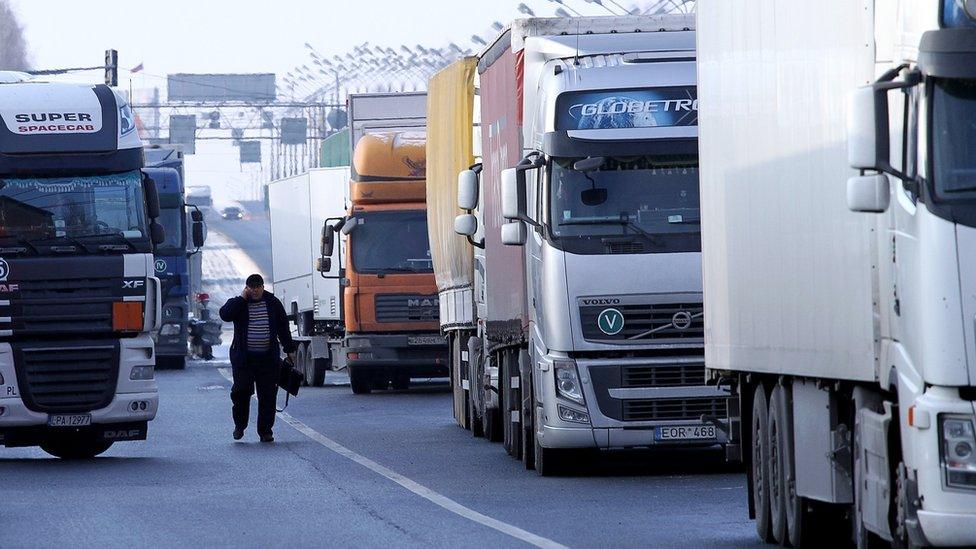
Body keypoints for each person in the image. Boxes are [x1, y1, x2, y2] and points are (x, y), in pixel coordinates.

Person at [219, 274, 297, 443]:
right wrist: (241, 298)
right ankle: (240, 426)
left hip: (267, 360)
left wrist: (289, 349)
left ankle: (265, 431)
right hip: (244, 360)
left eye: (258, 287)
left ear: (263, 287)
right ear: (247, 288)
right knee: (240, 393)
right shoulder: (239, 303)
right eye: (251, 287)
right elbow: (225, 314)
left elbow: (283, 327)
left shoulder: (272, 303)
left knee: (268, 396)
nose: (255, 291)